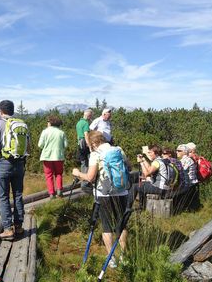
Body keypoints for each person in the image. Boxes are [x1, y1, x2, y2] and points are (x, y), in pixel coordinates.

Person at [72, 131, 129, 268]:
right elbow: (129, 167)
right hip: (122, 192)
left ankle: (111, 259)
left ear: (93, 143)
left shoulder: (95, 154)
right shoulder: (118, 150)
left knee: (107, 226)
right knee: (121, 225)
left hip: (104, 194)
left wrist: (78, 173)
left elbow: (90, 177)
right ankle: (123, 256)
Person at [0, 100, 29, 241]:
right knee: (18, 195)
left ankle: (7, 229)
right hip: (19, 164)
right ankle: (18, 227)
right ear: (12, 111)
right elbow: (27, 147)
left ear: (0, 111)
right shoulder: (22, 124)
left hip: (3, 164)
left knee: (3, 196)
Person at [129, 144, 170, 210]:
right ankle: (142, 206)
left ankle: (128, 208)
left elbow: (146, 173)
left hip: (159, 188)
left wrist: (141, 162)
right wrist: (144, 159)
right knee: (141, 185)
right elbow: (149, 169)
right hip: (163, 186)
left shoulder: (157, 162)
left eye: (150, 152)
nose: (149, 154)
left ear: (155, 153)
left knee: (135, 187)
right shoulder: (160, 160)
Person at [38, 115, 68, 199]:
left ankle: (51, 193)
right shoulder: (61, 132)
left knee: (49, 175)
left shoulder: (45, 132)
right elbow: (65, 145)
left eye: (47, 121)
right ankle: (59, 190)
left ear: (50, 122)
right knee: (58, 174)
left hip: (47, 156)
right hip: (58, 156)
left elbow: (40, 145)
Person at [176, 144, 199, 210]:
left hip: (190, 185)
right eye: (176, 150)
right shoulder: (185, 159)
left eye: (179, 151)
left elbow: (180, 170)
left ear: (184, 152)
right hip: (191, 184)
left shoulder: (186, 160)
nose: (177, 152)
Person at [76, 108, 93, 192]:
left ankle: (84, 182)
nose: (91, 117)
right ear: (88, 115)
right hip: (84, 144)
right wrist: (89, 146)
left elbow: (78, 135)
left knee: (83, 163)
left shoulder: (79, 122)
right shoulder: (86, 123)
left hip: (79, 143)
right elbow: (86, 135)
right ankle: (85, 184)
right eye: (91, 116)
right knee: (88, 163)